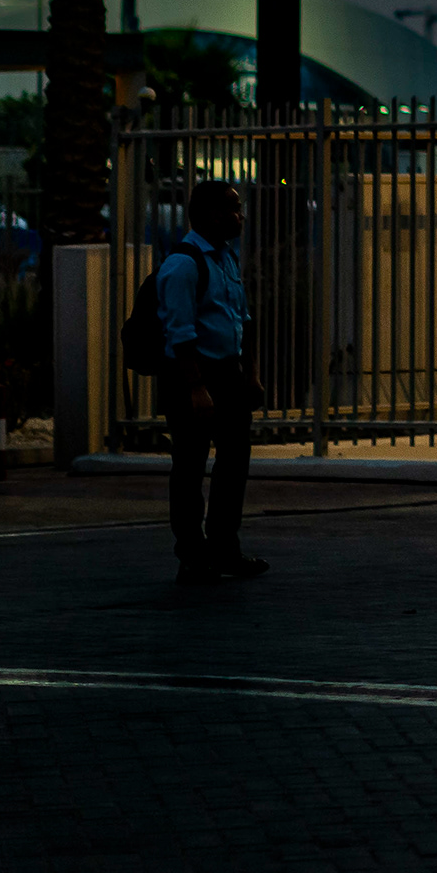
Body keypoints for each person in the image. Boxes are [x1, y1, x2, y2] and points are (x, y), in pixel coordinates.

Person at [157, 180, 266, 586]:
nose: (240, 216)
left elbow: (243, 320)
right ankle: (192, 553)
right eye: (233, 209)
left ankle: (224, 547)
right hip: (193, 377)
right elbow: (180, 333)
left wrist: (249, 375)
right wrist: (196, 388)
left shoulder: (225, 259)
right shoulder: (185, 265)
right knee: (189, 466)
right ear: (209, 215)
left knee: (234, 462)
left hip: (227, 374)